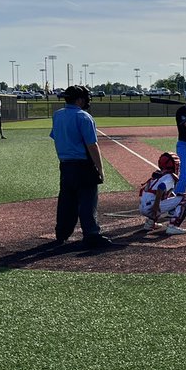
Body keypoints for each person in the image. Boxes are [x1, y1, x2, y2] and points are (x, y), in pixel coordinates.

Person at [49, 85, 112, 248]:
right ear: (79, 99)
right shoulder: (84, 117)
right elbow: (92, 145)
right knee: (87, 200)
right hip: (83, 164)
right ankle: (91, 234)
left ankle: (62, 232)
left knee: (66, 199)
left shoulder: (57, 115)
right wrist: (100, 168)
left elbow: (55, 137)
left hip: (65, 164)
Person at [139, 152, 186, 235]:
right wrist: (156, 206)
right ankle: (173, 226)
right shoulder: (170, 177)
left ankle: (150, 223)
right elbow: (161, 187)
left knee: (164, 197)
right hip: (152, 207)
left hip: (142, 207)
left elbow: (146, 190)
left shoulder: (157, 174)